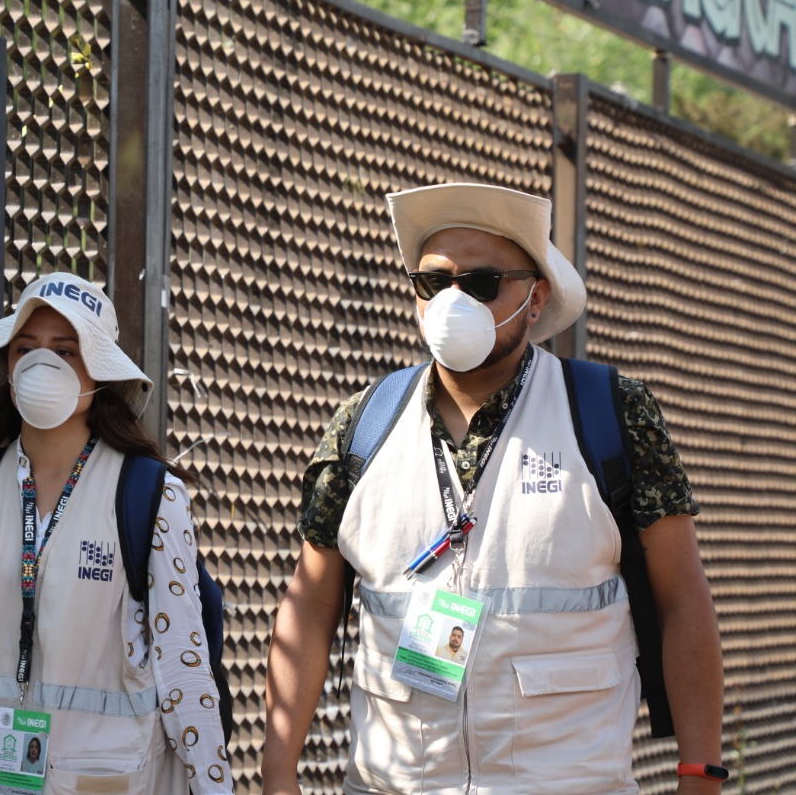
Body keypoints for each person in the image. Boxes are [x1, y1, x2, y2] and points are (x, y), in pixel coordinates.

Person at [261, 184, 725, 794]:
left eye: (481, 283)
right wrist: (277, 773)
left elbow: (682, 600)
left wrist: (700, 774)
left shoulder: (611, 414)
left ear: (536, 299)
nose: (453, 301)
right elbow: (311, 603)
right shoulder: (364, 425)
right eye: (434, 282)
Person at [0, 271, 232, 795]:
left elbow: (185, 669)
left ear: (98, 371)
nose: (43, 364)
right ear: (8, 366)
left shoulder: (152, 495)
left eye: (65, 351)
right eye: (26, 349)